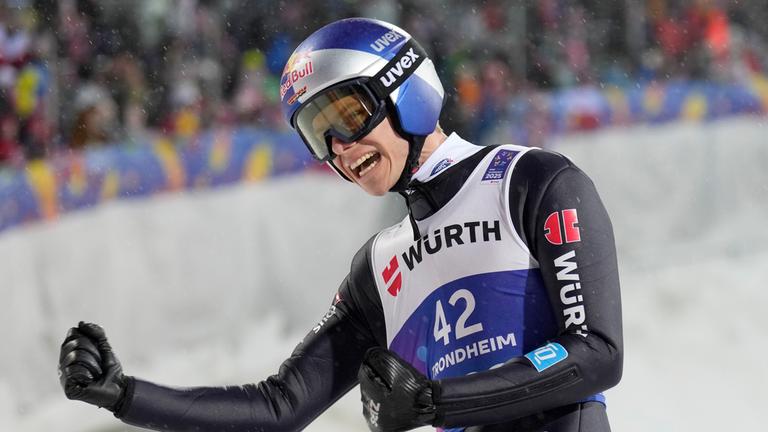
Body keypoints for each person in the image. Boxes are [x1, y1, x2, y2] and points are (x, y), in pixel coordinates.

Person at [58, 18, 623, 432]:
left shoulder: (531, 180)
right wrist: (125, 394)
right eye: (318, 133)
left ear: (406, 91)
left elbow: (596, 352)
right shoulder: (378, 267)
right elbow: (279, 407)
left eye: (348, 116)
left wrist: (438, 400)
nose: (340, 149)